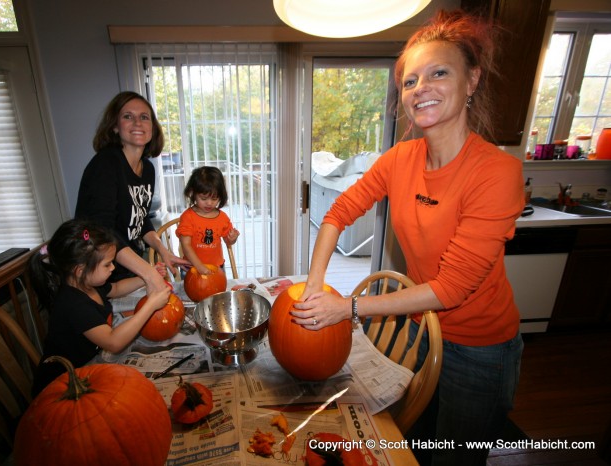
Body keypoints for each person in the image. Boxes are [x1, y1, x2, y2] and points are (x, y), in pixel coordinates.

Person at [291, 10, 524, 465]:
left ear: (471, 80)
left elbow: (452, 289)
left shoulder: (497, 172)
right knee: (411, 444)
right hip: (421, 329)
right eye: (411, 81)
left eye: (439, 73)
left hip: (481, 347)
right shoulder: (400, 158)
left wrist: (348, 307)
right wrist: (316, 283)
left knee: (455, 458)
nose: (421, 89)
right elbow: (340, 211)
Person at [28, 219, 170, 395]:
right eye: (107, 264)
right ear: (80, 270)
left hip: (87, 369)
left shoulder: (88, 284)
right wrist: (150, 305)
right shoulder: (73, 304)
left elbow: (117, 289)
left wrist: (147, 277)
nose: (113, 267)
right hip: (63, 387)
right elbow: (113, 342)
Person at [75, 91, 189, 288]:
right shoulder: (106, 163)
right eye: (128, 116)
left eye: (144, 117)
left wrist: (163, 250)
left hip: (127, 269)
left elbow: (140, 219)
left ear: (152, 127)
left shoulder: (148, 169)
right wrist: (148, 273)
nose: (137, 122)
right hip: (99, 273)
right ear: (115, 127)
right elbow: (102, 231)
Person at [176, 166, 239, 274]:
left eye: (214, 198)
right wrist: (200, 267)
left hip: (217, 268)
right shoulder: (188, 217)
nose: (209, 203)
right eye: (203, 198)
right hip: (192, 268)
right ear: (193, 193)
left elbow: (228, 241)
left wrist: (232, 238)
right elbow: (185, 245)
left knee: (218, 291)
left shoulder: (222, 217)